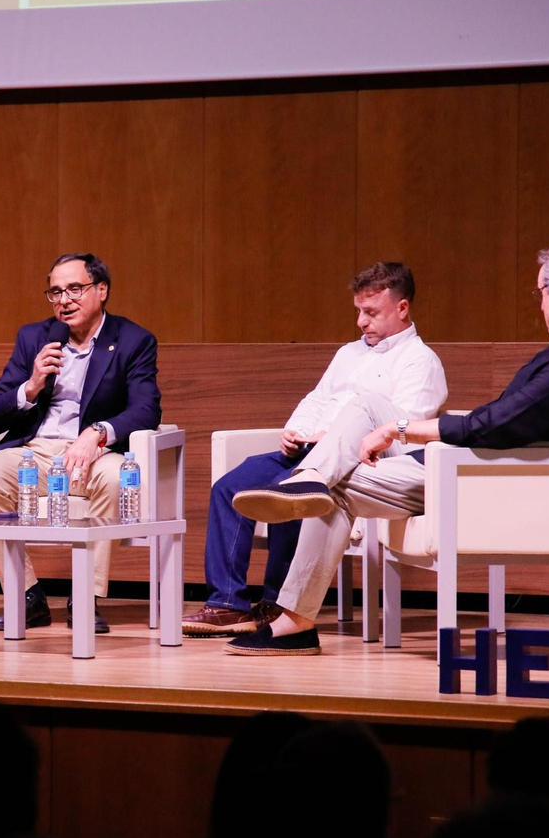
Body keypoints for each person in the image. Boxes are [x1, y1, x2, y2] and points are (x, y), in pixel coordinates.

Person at [227, 237, 549, 654]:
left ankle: (295, 619)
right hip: (473, 467)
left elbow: (491, 424)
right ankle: (309, 477)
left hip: (472, 478)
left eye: (539, 293)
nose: (540, 305)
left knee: (336, 488)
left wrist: (401, 429)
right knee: (364, 407)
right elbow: (510, 421)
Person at [182, 263, 447, 637]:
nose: (361, 321)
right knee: (230, 486)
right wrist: (298, 431)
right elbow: (317, 399)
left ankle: (275, 605)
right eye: (358, 311)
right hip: (309, 450)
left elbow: (406, 429)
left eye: (371, 312)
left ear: (402, 308)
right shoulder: (348, 354)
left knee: (293, 492)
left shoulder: (421, 361)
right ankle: (227, 603)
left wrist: (332, 441)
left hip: (362, 462)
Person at [0, 253, 162, 634]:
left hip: (95, 453)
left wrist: (98, 433)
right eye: (56, 292)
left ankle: (85, 597)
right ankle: (26, 596)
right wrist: (30, 385)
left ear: (102, 290)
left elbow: (147, 409)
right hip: (36, 451)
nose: (64, 300)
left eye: (75, 289)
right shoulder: (35, 338)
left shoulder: (133, 340)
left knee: (114, 478)